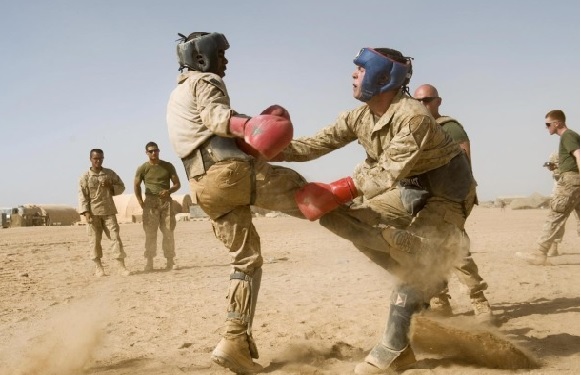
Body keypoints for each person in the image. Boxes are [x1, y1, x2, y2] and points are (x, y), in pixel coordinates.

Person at [277, 47, 476, 374]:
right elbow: (314, 144)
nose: (353, 74)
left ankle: (396, 348)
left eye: (360, 68)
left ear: (384, 76)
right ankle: (416, 268)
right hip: (407, 190)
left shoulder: (414, 117)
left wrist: (335, 190)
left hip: (446, 192)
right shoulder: (358, 117)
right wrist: (263, 146)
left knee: (413, 266)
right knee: (350, 219)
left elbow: (386, 170)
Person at [166, 31, 308, 374]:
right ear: (201, 58)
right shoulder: (206, 80)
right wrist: (253, 124)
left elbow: (208, 124)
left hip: (203, 185)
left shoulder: (177, 93)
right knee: (308, 196)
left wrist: (249, 122)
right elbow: (216, 117)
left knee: (246, 259)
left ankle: (234, 341)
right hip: (227, 173)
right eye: (220, 54)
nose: (225, 60)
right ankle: (384, 235)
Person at [413, 83, 492, 321]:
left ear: (438, 101)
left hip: (452, 194)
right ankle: (439, 299)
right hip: (426, 196)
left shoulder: (449, 127)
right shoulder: (415, 129)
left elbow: (464, 162)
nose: (422, 105)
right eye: (417, 101)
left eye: (427, 100)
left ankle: (479, 300)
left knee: (454, 245)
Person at [516, 110, 580, 265]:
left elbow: (578, 154)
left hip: (570, 181)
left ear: (557, 123)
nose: (546, 128)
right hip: (575, 180)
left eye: (548, 124)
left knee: (555, 215)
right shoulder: (570, 136)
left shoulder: (568, 136)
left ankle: (540, 253)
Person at [78, 148, 130, 277]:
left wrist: (110, 186)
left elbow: (122, 187)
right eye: (95, 158)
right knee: (94, 241)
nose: (98, 161)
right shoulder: (85, 177)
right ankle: (98, 267)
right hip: (93, 213)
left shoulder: (109, 173)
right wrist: (86, 212)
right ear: (90, 159)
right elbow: (82, 195)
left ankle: (121, 266)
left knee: (115, 238)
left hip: (108, 212)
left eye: (101, 158)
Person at [134, 141, 182, 271]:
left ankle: (170, 261)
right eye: (151, 151)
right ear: (146, 153)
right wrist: (140, 201)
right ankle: (149, 262)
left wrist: (169, 191)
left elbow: (177, 184)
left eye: (156, 150)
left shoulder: (167, 166)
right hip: (150, 203)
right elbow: (137, 185)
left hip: (166, 202)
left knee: (168, 232)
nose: (154, 153)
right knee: (150, 233)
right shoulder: (143, 168)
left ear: (159, 151)